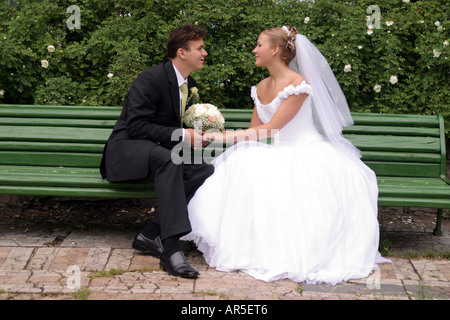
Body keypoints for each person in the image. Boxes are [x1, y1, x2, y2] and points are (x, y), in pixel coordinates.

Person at [182, 26, 390, 285]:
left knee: (278, 180)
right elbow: (255, 130)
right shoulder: (261, 85)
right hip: (276, 149)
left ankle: (287, 251)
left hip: (304, 151)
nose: (254, 50)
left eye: (259, 45)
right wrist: (219, 134)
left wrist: (221, 136)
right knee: (241, 166)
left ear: (275, 50)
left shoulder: (297, 84)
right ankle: (246, 244)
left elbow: (271, 129)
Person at [100, 25, 214, 279]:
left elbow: (172, 126)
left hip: (155, 150)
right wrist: (183, 135)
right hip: (126, 149)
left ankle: (150, 233)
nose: (205, 52)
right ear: (182, 52)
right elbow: (137, 126)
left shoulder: (189, 84)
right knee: (170, 160)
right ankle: (170, 248)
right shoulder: (151, 78)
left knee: (203, 169)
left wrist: (196, 137)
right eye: (200, 48)